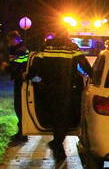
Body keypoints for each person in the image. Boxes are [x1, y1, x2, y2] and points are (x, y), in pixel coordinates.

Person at [26, 26, 93, 159]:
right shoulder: (71, 47)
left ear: (55, 34)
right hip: (66, 88)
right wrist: (93, 76)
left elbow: (34, 70)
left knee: (54, 116)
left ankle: (58, 148)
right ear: (67, 35)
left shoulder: (46, 47)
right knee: (62, 118)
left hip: (47, 89)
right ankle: (57, 143)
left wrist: (37, 81)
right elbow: (84, 64)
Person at [2, 31, 29, 143]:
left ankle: (23, 133)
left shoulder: (21, 50)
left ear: (16, 39)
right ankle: (22, 132)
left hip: (21, 82)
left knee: (19, 107)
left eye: (10, 41)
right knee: (19, 107)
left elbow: (17, 66)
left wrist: (6, 67)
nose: (9, 43)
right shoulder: (18, 49)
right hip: (19, 81)